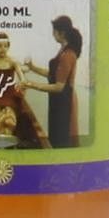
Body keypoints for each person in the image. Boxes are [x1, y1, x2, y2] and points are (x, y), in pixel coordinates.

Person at [23, 15, 82, 147]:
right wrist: (32, 67)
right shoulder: (63, 51)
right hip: (58, 101)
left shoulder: (68, 55)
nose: (53, 34)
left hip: (64, 103)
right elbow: (52, 74)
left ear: (62, 33)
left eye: (54, 31)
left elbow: (59, 86)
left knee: (62, 138)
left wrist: (31, 84)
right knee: (56, 136)